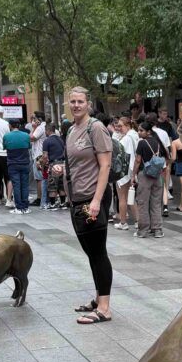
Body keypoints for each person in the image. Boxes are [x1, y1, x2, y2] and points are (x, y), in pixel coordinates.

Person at [66, 87, 114, 325]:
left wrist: (96, 200)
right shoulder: (71, 129)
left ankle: (104, 308)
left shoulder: (95, 128)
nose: (76, 105)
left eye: (80, 101)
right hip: (78, 199)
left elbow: (105, 166)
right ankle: (98, 298)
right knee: (91, 253)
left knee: (98, 253)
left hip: (93, 199)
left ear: (88, 104)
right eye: (73, 101)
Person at [131, 117, 166, 238]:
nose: (139, 132)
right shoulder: (157, 142)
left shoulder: (141, 143)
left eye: (141, 130)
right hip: (157, 175)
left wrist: (133, 175)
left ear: (148, 132)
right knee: (156, 203)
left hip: (145, 175)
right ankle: (157, 230)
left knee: (142, 202)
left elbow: (137, 160)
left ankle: (143, 230)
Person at [3, 118, 31, 214]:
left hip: (13, 163)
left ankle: (18, 207)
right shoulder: (26, 135)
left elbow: (5, 147)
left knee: (16, 186)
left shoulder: (6, 136)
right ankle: (25, 207)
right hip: (25, 163)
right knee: (25, 185)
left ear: (10, 125)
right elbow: (28, 147)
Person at [113, 117, 138, 229]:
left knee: (122, 197)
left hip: (124, 171)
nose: (119, 128)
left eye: (120, 126)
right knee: (130, 196)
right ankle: (138, 221)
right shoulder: (135, 135)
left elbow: (122, 155)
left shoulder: (127, 138)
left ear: (127, 126)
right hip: (131, 170)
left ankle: (123, 222)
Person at [42, 122, 66, 209]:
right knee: (61, 185)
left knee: (52, 186)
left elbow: (45, 156)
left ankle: (52, 205)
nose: (45, 132)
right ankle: (63, 204)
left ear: (48, 130)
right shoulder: (60, 139)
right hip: (62, 163)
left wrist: (44, 165)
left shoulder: (46, 141)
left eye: (45, 130)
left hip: (54, 164)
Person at [29, 112, 46, 207]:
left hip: (39, 155)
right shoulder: (45, 126)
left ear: (38, 119)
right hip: (42, 154)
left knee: (39, 178)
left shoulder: (39, 128)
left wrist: (33, 127)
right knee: (43, 177)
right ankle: (43, 197)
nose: (33, 120)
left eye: (34, 118)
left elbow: (31, 138)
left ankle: (40, 198)